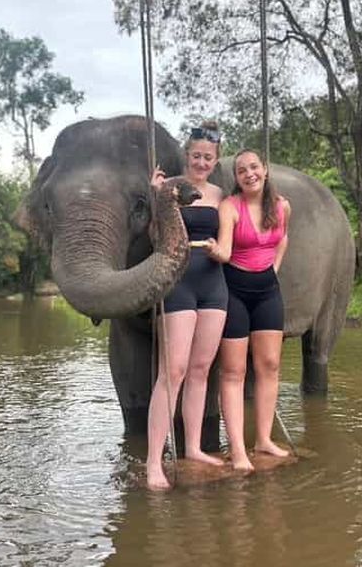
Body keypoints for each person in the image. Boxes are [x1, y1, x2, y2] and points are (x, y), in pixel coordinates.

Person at [146, 122, 228, 490]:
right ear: (186, 155)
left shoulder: (221, 195)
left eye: (207, 157)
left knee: (200, 369)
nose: (201, 162)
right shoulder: (170, 188)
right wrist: (156, 197)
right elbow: (156, 237)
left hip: (214, 282)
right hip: (178, 279)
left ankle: (193, 447)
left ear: (216, 159)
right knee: (173, 370)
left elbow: (230, 240)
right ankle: (153, 462)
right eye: (196, 155)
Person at [206, 148, 291, 471]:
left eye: (254, 167)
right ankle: (239, 450)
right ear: (237, 178)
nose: (249, 173)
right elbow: (226, 250)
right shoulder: (230, 207)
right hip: (234, 292)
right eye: (242, 170)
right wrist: (214, 251)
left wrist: (273, 270)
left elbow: (283, 239)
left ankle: (264, 440)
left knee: (269, 365)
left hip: (268, 290)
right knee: (234, 372)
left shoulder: (282, 207)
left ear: (265, 170)